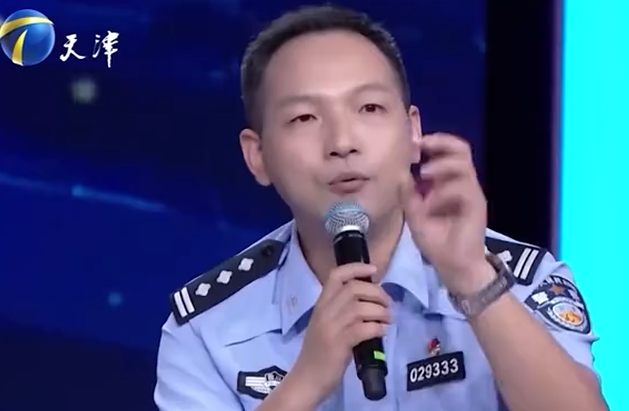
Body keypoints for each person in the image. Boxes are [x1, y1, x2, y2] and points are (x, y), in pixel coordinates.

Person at [154, 5, 607, 411]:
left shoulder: (521, 280)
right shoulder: (205, 329)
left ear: (413, 132)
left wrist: (474, 281)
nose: (342, 143)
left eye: (369, 108)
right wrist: (304, 383)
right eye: (304, 118)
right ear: (258, 156)